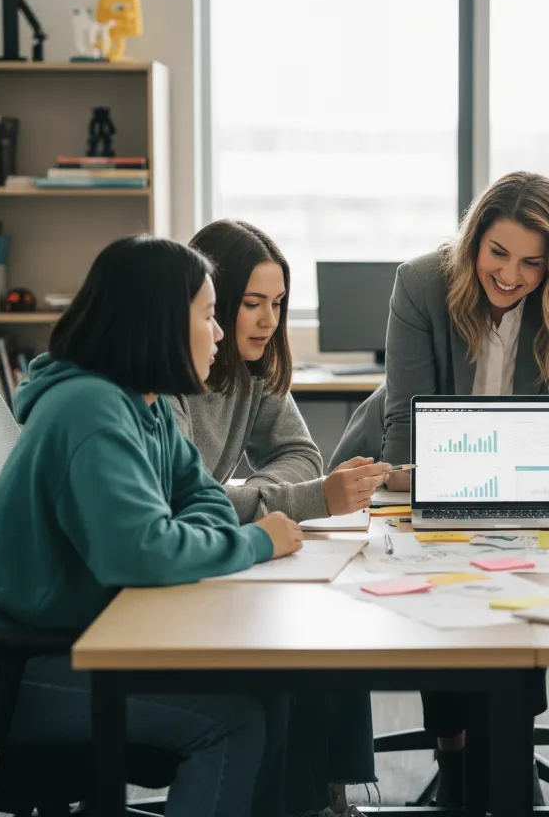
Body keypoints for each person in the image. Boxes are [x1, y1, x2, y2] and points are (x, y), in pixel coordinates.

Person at [0, 235, 305, 817]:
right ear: (160, 322)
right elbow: (143, 555)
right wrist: (255, 542)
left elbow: (203, 497)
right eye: (208, 316)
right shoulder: (89, 412)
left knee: (268, 685)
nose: (221, 333)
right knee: (230, 721)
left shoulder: (145, 403)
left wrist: (193, 533)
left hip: (58, 641)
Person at [331, 170, 549, 806]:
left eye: (532, 263)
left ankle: (510, 755)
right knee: (442, 597)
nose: (510, 276)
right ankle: (453, 755)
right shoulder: (423, 281)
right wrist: (460, 483)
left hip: (516, 484)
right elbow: (407, 430)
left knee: (521, 600)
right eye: (498, 253)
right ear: (475, 240)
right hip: (418, 472)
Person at [171, 218, 385, 817]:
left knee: (332, 621)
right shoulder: (168, 382)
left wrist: (259, 497)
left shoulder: (255, 366)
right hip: (171, 578)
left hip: (207, 551)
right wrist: (297, 501)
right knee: (292, 642)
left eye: (279, 303)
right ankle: (303, 804)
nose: (269, 320)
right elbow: (186, 502)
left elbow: (300, 455)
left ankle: (329, 797)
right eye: (251, 304)